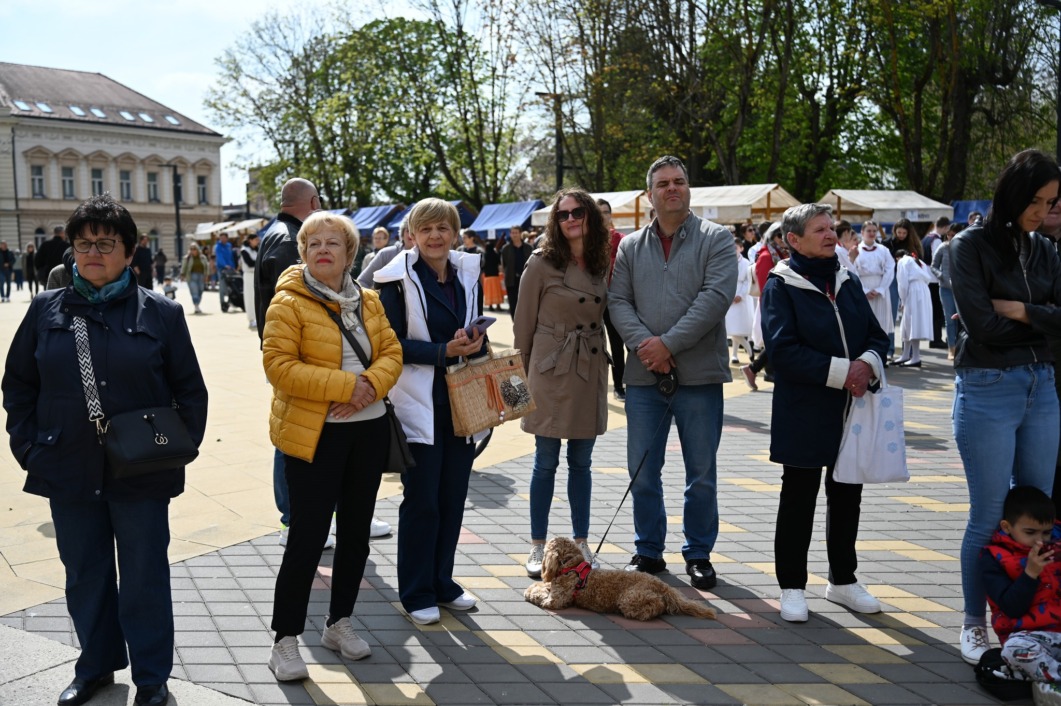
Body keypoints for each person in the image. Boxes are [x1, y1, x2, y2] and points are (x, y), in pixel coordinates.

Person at [2, 194, 208, 706]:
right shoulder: (46, 309)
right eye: (83, 243)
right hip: (67, 466)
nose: (92, 253)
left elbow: (190, 391)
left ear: (130, 251)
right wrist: (29, 447)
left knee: (144, 575)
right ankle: (95, 666)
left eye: (105, 243)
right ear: (71, 249)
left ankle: (152, 677)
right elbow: (18, 384)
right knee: (85, 574)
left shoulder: (162, 313)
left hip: (142, 472)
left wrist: (174, 450)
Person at [263, 211, 402, 681]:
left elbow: (392, 352)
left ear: (349, 253)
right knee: (307, 538)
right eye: (313, 243)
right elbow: (279, 366)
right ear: (303, 253)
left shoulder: (369, 300)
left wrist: (370, 386)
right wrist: (348, 386)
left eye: (333, 243)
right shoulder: (288, 302)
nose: (323, 249)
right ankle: (284, 640)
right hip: (315, 435)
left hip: (368, 430)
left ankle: (338, 623)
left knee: (357, 534)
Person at [951, 148, 1061, 665]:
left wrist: (1019, 309)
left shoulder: (1045, 250)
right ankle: (974, 622)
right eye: (1036, 200)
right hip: (987, 384)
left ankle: (1040, 617)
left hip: (1042, 384)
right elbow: (981, 326)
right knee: (990, 513)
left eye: (1051, 202)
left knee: (1041, 513)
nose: (1043, 212)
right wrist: (1042, 319)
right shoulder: (969, 246)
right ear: (1013, 194)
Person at [608, 155, 736, 590]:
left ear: (688, 188)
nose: (672, 188)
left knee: (701, 474)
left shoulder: (716, 238)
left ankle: (698, 553)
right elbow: (617, 301)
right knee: (643, 471)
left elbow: (715, 298)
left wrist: (668, 345)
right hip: (645, 378)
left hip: (699, 377)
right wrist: (648, 348)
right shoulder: (629, 246)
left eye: (679, 181)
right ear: (650, 195)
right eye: (662, 184)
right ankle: (648, 549)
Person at [760, 203, 889, 623]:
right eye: (820, 230)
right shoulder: (782, 283)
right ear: (794, 240)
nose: (831, 235)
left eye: (831, 228)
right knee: (798, 497)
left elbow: (876, 335)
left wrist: (867, 363)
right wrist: (843, 372)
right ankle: (792, 586)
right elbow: (783, 351)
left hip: (851, 408)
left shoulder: (847, 278)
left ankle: (843, 580)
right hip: (803, 409)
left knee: (848, 493)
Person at [375, 198, 488, 625]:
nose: (435, 236)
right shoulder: (395, 281)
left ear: (455, 233)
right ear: (412, 235)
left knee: (452, 497)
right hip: (418, 403)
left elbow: (474, 327)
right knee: (422, 500)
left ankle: (443, 582)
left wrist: (476, 342)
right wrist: (443, 351)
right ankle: (416, 591)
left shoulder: (466, 274)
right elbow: (388, 344)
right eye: (426, 229)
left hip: (463, 401)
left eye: (443, 228)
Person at [514, 188, 610, 578]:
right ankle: (538, 545)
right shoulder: (540, 263)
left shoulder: (601, 261)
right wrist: (516, 386)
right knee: (545, 462)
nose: (570, 219)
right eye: (562, 214)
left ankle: (581, 541)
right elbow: (522, 325)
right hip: (550, 370)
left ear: (590, 216)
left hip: (588, 367)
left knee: (582, 463)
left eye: (577, 212)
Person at [980, 486, 1061, 703]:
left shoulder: (1056, 548)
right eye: (1030, 533)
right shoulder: (994, 557)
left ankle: (1045, 681)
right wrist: (1030, 573)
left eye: (1046, 532)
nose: (1040, 541)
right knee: (1015, 650)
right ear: (1007, 527)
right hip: (1028, 637)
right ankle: (1053, 679)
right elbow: (1011, 608)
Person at [741, 223, 785, 390]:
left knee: (778, 339)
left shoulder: (780, 253)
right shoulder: (767, 256)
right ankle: (758, 369)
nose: (783, 239)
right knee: (778, 338)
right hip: (773, 305)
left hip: (781, 304)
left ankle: (756, 368)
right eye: (780, 236)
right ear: (773, 237)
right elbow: (766, 286)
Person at [892, 218, 933, 367]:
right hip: (922, 291)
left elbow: (902, 284)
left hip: (913, 291)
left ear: (897, 257)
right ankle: (906, 354)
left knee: (911, 323)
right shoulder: (917, 261)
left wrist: (902, 300)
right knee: (909, 323)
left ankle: (914, 357)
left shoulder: (903, 262)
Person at [598, 198, 628, 400]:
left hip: (614, 300)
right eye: (599, 212)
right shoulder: (584, 241)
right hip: (590, 301)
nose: (603, 216)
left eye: (606, 212)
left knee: (618, 345)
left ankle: (619, 385)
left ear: (610, 215)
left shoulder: (621, 240)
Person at [853, 220, 895, 359]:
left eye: (874, 231)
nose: (871, 233)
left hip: (881, 287)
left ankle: (882, 355)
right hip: (863, 287)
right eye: (868, 231)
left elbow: (890, 268)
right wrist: (864, 290)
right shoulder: (856, 250)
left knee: (881, 323)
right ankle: (865, 355)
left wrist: (881, 288)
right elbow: (853, 270)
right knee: (864, 322)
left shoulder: (883, 250)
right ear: (862, 232)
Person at [930, 222, 962, 360]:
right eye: (949, 235)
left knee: (962, 319)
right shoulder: (943, 247)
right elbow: (933, 266)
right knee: (949, 320)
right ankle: (951, 348)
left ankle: (962, 347)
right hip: (945, 289)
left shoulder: (964, 247)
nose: (951, 237)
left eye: (954, 235)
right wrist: (942, 276)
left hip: (961, 288)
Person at [357, 219, 413, 288]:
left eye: (380, 238)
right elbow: (363, 281)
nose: (377, 240)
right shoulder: (384, 255)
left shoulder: (424, 255)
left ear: (386, 239)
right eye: (375, 238)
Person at [726, 237, 755, 363]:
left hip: (741, 298)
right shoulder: (726, 262)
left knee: (736, 329)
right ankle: (737, 354)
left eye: (735, 248)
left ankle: (746, 351)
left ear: (741, 249)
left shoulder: (746, 263)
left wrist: (741, 295)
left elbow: (748, 281)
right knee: (732, 328)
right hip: (730, 296)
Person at [923, 216, 949, 349]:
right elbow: (937, 260)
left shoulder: (926, 238)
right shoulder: (936, 240)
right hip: (934, 279)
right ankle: (936, 339)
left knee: (932, 310)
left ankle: (934, 338)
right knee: (937, 310)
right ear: (945, 227)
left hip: (926, 277)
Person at [500, 226, 532, 317]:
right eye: (512, 233)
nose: (514, 235)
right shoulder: (506, 248)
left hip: (526, 280)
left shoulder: (528, 248)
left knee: (526, 303)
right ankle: (515, 322)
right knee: (513, 304)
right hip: (511, 280)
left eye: (516, 233)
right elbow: (504, 264)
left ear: (520, 233)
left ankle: (525, 322)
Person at [180, 242, 209, 314]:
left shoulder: (203, 257)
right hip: (191, 276)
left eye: (194, 249)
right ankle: (196, 306)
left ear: (197, 249)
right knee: (194, 292)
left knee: (200, 291)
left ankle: (197, 304)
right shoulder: (187, 258)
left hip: (201, 276)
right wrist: (182, 275)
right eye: (191, 249)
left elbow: (206, 267)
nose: (193, 250)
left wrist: (206, 276)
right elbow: (184, 267)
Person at [241, 232, 259, 330]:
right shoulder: (244, 250)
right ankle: (251, 319)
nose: (257, 241)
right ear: (250, 240)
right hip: (249, 275)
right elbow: (250, 263)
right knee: (250, 297)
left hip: (256, 275)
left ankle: (258, 318)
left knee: (257, 297)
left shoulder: (257, 249)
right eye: (255, 240)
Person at [214, 233, 235, 312]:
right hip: (222, 269)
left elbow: (231, 257)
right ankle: (222, 303)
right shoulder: (218, 247)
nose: (222, 239)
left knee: (231, 286)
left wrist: (233, 266)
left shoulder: (229, 245)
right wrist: (225, 265)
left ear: (227, 238)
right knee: (222, 287)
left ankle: (230, 302)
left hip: (231, 269)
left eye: (223, 237)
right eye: (221, 238)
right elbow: (219, 257)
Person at [481, 239, 504, 311]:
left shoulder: (485, 255)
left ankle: (490, 306)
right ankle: (498, 306)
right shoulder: (495, 254)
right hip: (495, 275)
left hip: (487, 276)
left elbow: (483, 265)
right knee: (497, 291)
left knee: (489, 292)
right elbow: (499, 263)